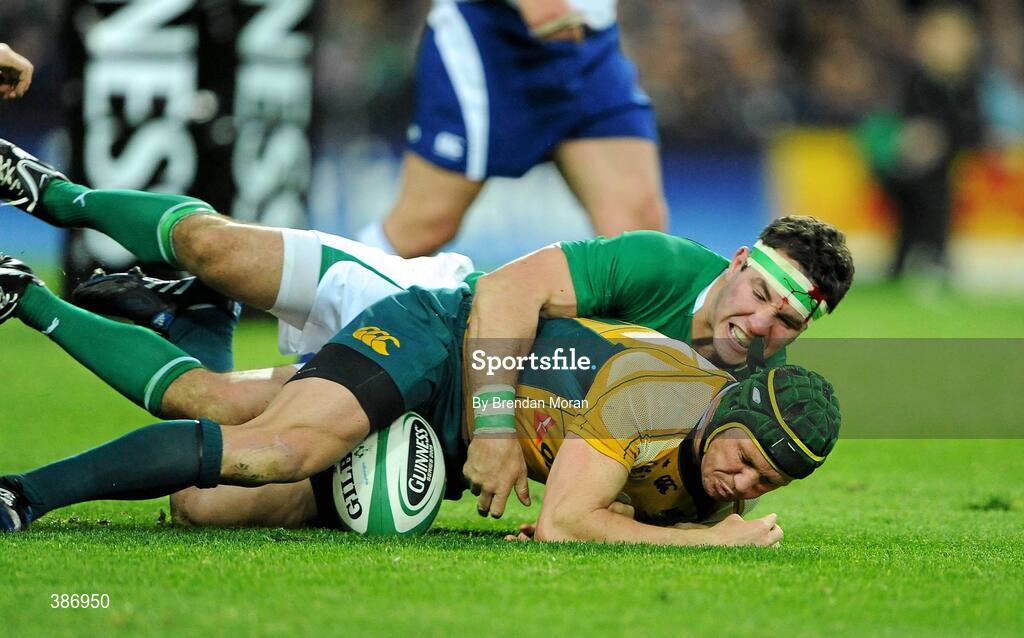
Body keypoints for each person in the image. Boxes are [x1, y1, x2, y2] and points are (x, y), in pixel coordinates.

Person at [0, 138, 854, 518]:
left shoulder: (738, 399)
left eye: (788, 321)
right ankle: (52, 194)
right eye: (763, 295)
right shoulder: (665, 266)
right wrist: (493, 431)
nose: (761, 324)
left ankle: (26, 298)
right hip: (425, 307)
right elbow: (508, 298)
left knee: (212, 435)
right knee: (213, 242)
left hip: (446, 408)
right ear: (740, 262)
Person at [0, 255, 841, 545]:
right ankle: (19, 494)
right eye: (744, 461)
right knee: (273, 449)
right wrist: (711, 547)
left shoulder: (717, 468)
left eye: (767, 484)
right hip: (441, 347)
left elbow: (598, 511)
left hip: (442, 446)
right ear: (723, 416)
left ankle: (177, 313)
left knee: (203, 504)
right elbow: (567, 524)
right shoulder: (656, 397)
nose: (743, 486)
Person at [354, 0, 668, 257]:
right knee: (427, 225)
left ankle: (628, 336)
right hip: (490, 37)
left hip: (589, 39)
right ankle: (328, 304)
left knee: (638, 230)